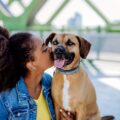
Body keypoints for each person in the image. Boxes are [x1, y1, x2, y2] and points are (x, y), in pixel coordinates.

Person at [0, 26, 75, 120]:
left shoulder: (50, 82)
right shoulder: (5, 98)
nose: (51, 49)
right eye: (44, 49)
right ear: (31, 65)